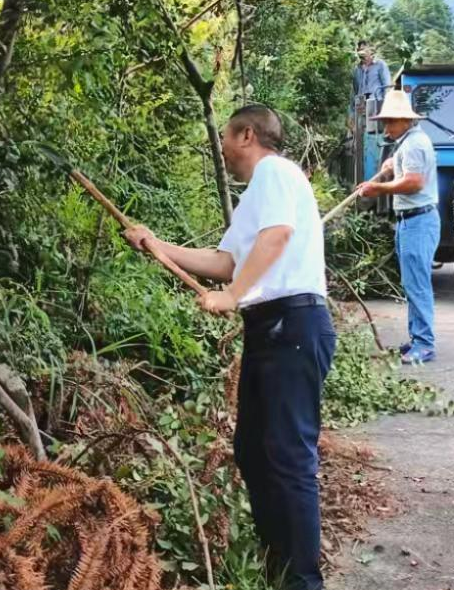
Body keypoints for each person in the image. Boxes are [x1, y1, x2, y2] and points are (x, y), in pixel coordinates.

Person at [122, 104, 335, 590]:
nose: (220, 148)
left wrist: (235, 296)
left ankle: (303, 581)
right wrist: (159, 246)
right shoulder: (254, 196)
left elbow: (277, 237)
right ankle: (277, 566)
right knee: (253, 451)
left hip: (293, 324)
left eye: (224, 137)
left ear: (246, 135)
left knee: (288, 454)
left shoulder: (276, 172)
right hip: (268, 329)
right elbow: (224, 261)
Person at [355, 90, 440, 364]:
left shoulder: (414, 144)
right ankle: (417, 338)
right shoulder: (408, 142)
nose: (387, 127)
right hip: (410, 221)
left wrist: (377, 187)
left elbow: (414, 183)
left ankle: (425, 344)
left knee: (417, 285)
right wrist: (393, 166)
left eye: (392, 121)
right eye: (385, 121)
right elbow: (406, 172)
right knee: (410, 282)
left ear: (406, 121)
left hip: (418, 220)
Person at [348, 39, 392, 132]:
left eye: (363, 49)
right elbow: (354, 92)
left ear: (370, 50)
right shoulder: (357, 69)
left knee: (375, 132)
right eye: (359, 50)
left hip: (376, 104)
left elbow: (387, 87)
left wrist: (385, 107)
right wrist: (351, 114)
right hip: (361, 106)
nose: (361, 52)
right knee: (360, 135)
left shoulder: (380, 65)